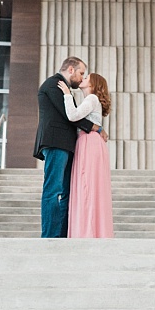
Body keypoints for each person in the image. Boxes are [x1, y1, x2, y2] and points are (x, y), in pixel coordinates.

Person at [33, 57, 106, 238]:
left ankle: (63, 234)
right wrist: (95, 127)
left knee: (66, 192)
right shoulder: (54, 84)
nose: (82, 78)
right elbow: (70, 116)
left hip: (66, 146)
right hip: (56, 144)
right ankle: (50, 237)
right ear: (71, 69)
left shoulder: (64, 89)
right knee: (54, 190)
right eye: (81, 73)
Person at [59, 72, 114, 238]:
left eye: (86, 77)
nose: (82, 78)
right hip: (92, 142)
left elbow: (73, 116)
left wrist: (67, 96)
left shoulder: (91, 99)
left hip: (89, 143)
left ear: (93, 84)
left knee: (87, 187)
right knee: (90, 187)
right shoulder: (91, 100)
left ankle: (86, 232)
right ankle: (92, 231)